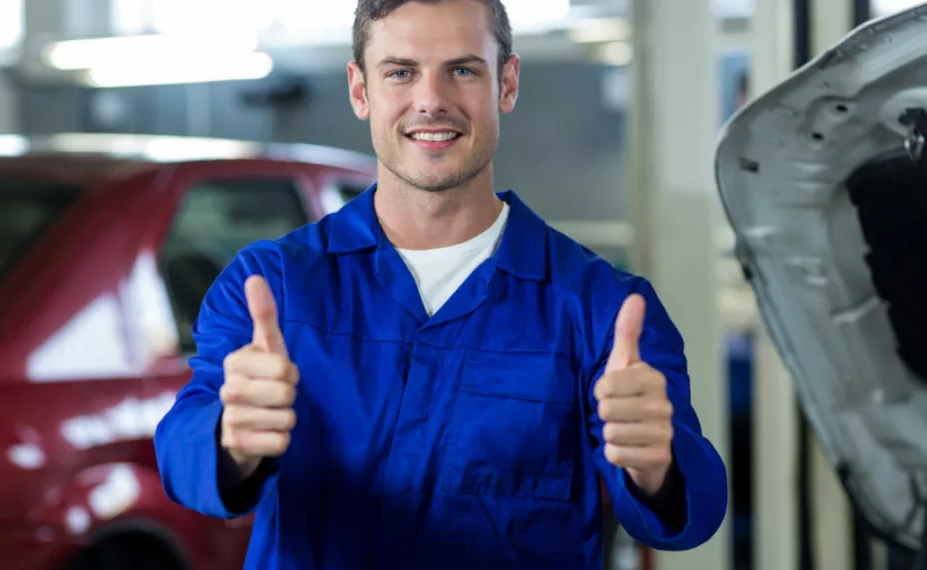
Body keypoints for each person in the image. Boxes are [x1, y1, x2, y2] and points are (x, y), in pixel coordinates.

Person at [153, 0, 729, 567]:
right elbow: (183, 459)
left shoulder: (604, 309)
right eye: (400, 72)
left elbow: (694, 513)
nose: (431, 100)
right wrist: (231, 441)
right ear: (360, 90)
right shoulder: (269, 287)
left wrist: (656, 465)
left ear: (507, 83)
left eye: (462, 70)